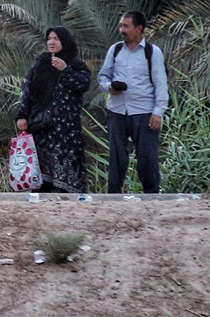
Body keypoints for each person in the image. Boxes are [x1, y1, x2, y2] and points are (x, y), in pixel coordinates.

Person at [97, 10, 169, 194]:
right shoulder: (115, 50)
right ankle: (114, 198)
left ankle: (151, 198)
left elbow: (161, 83)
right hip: (117, 111)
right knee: (116, 158)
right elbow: (103, 76)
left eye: (126, 26)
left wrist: (158, 112)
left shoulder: (152, 52)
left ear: (139, 28)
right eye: (121, 25)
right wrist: (109, 87)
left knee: (147, 158)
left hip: (143, 112)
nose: (122, 29)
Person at [15, 27, 91, 193]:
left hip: (66, 130)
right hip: (41, 126)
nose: (51, 42)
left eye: (56, 38)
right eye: (49, 38)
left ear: (65, 41)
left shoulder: (76, 65)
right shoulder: (41, 63)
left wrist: (65, 70)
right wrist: (22, 116)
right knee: (41, 173)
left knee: (65, 168)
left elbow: (83, 85)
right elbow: (28, 91)